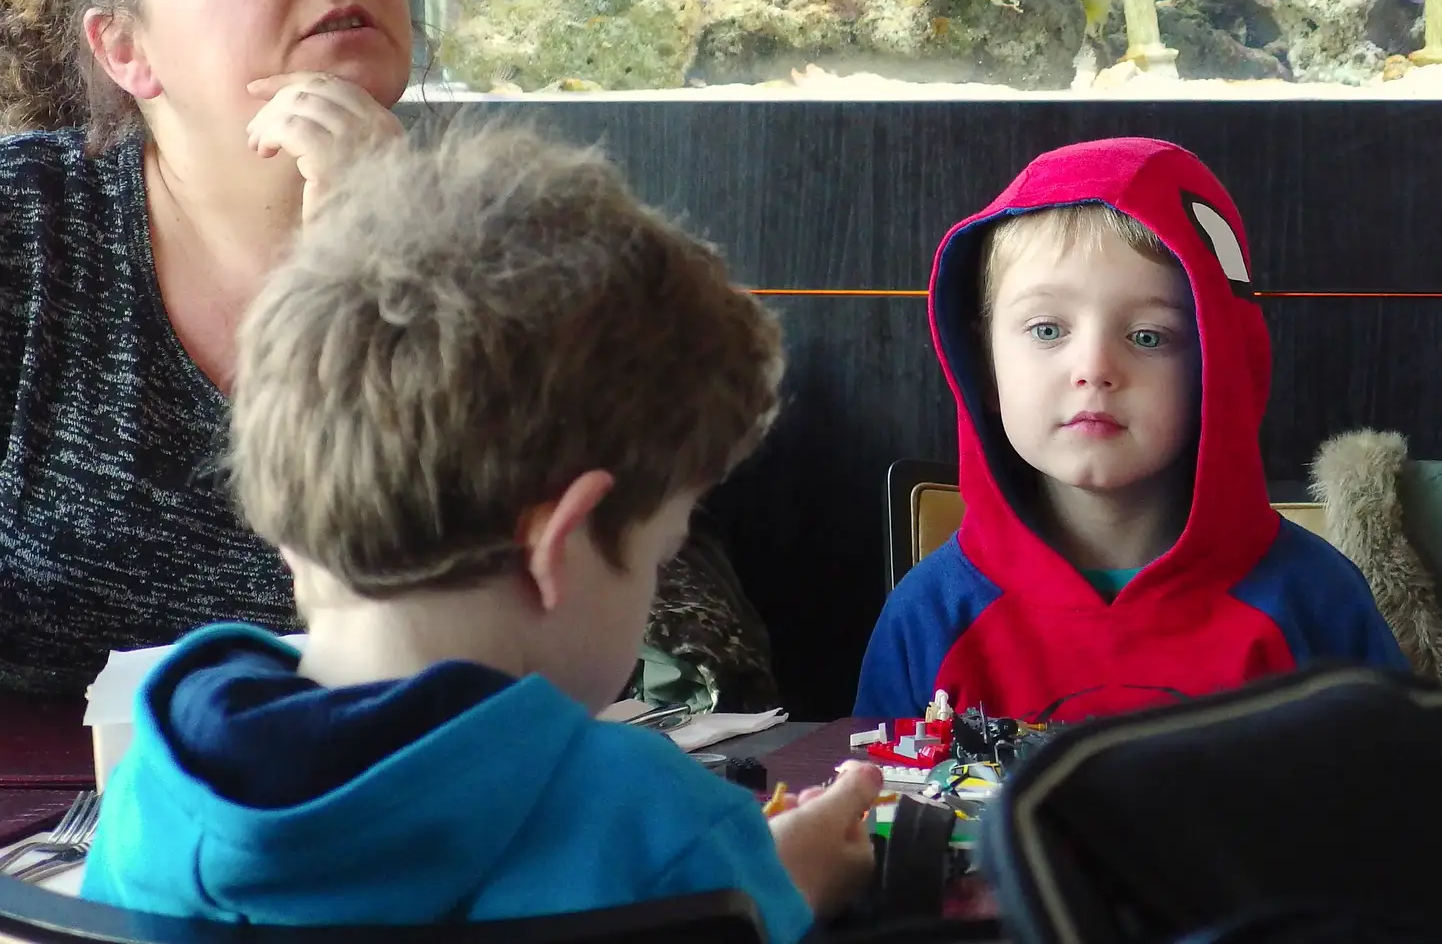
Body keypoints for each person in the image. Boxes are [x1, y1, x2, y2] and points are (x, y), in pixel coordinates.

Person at [0, 0, 777, 708]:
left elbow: (693, 643)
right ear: (126, 47)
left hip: (442, 822)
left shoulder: (519, 240)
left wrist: (395, 262)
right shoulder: (26, 231)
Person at [80, 121, 884, 934]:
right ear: (558, 545)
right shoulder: (660, 828)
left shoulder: (158, 779)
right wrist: (783, 890)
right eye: (658, 552)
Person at [854, 137, 1406, 722]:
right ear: (984, 367)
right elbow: (877, 802)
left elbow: (1391, 797)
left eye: (1148, 336)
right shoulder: (930, 616)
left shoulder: (1316, 600)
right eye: (1046, 330)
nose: (1093, 370)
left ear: (1217, 371)